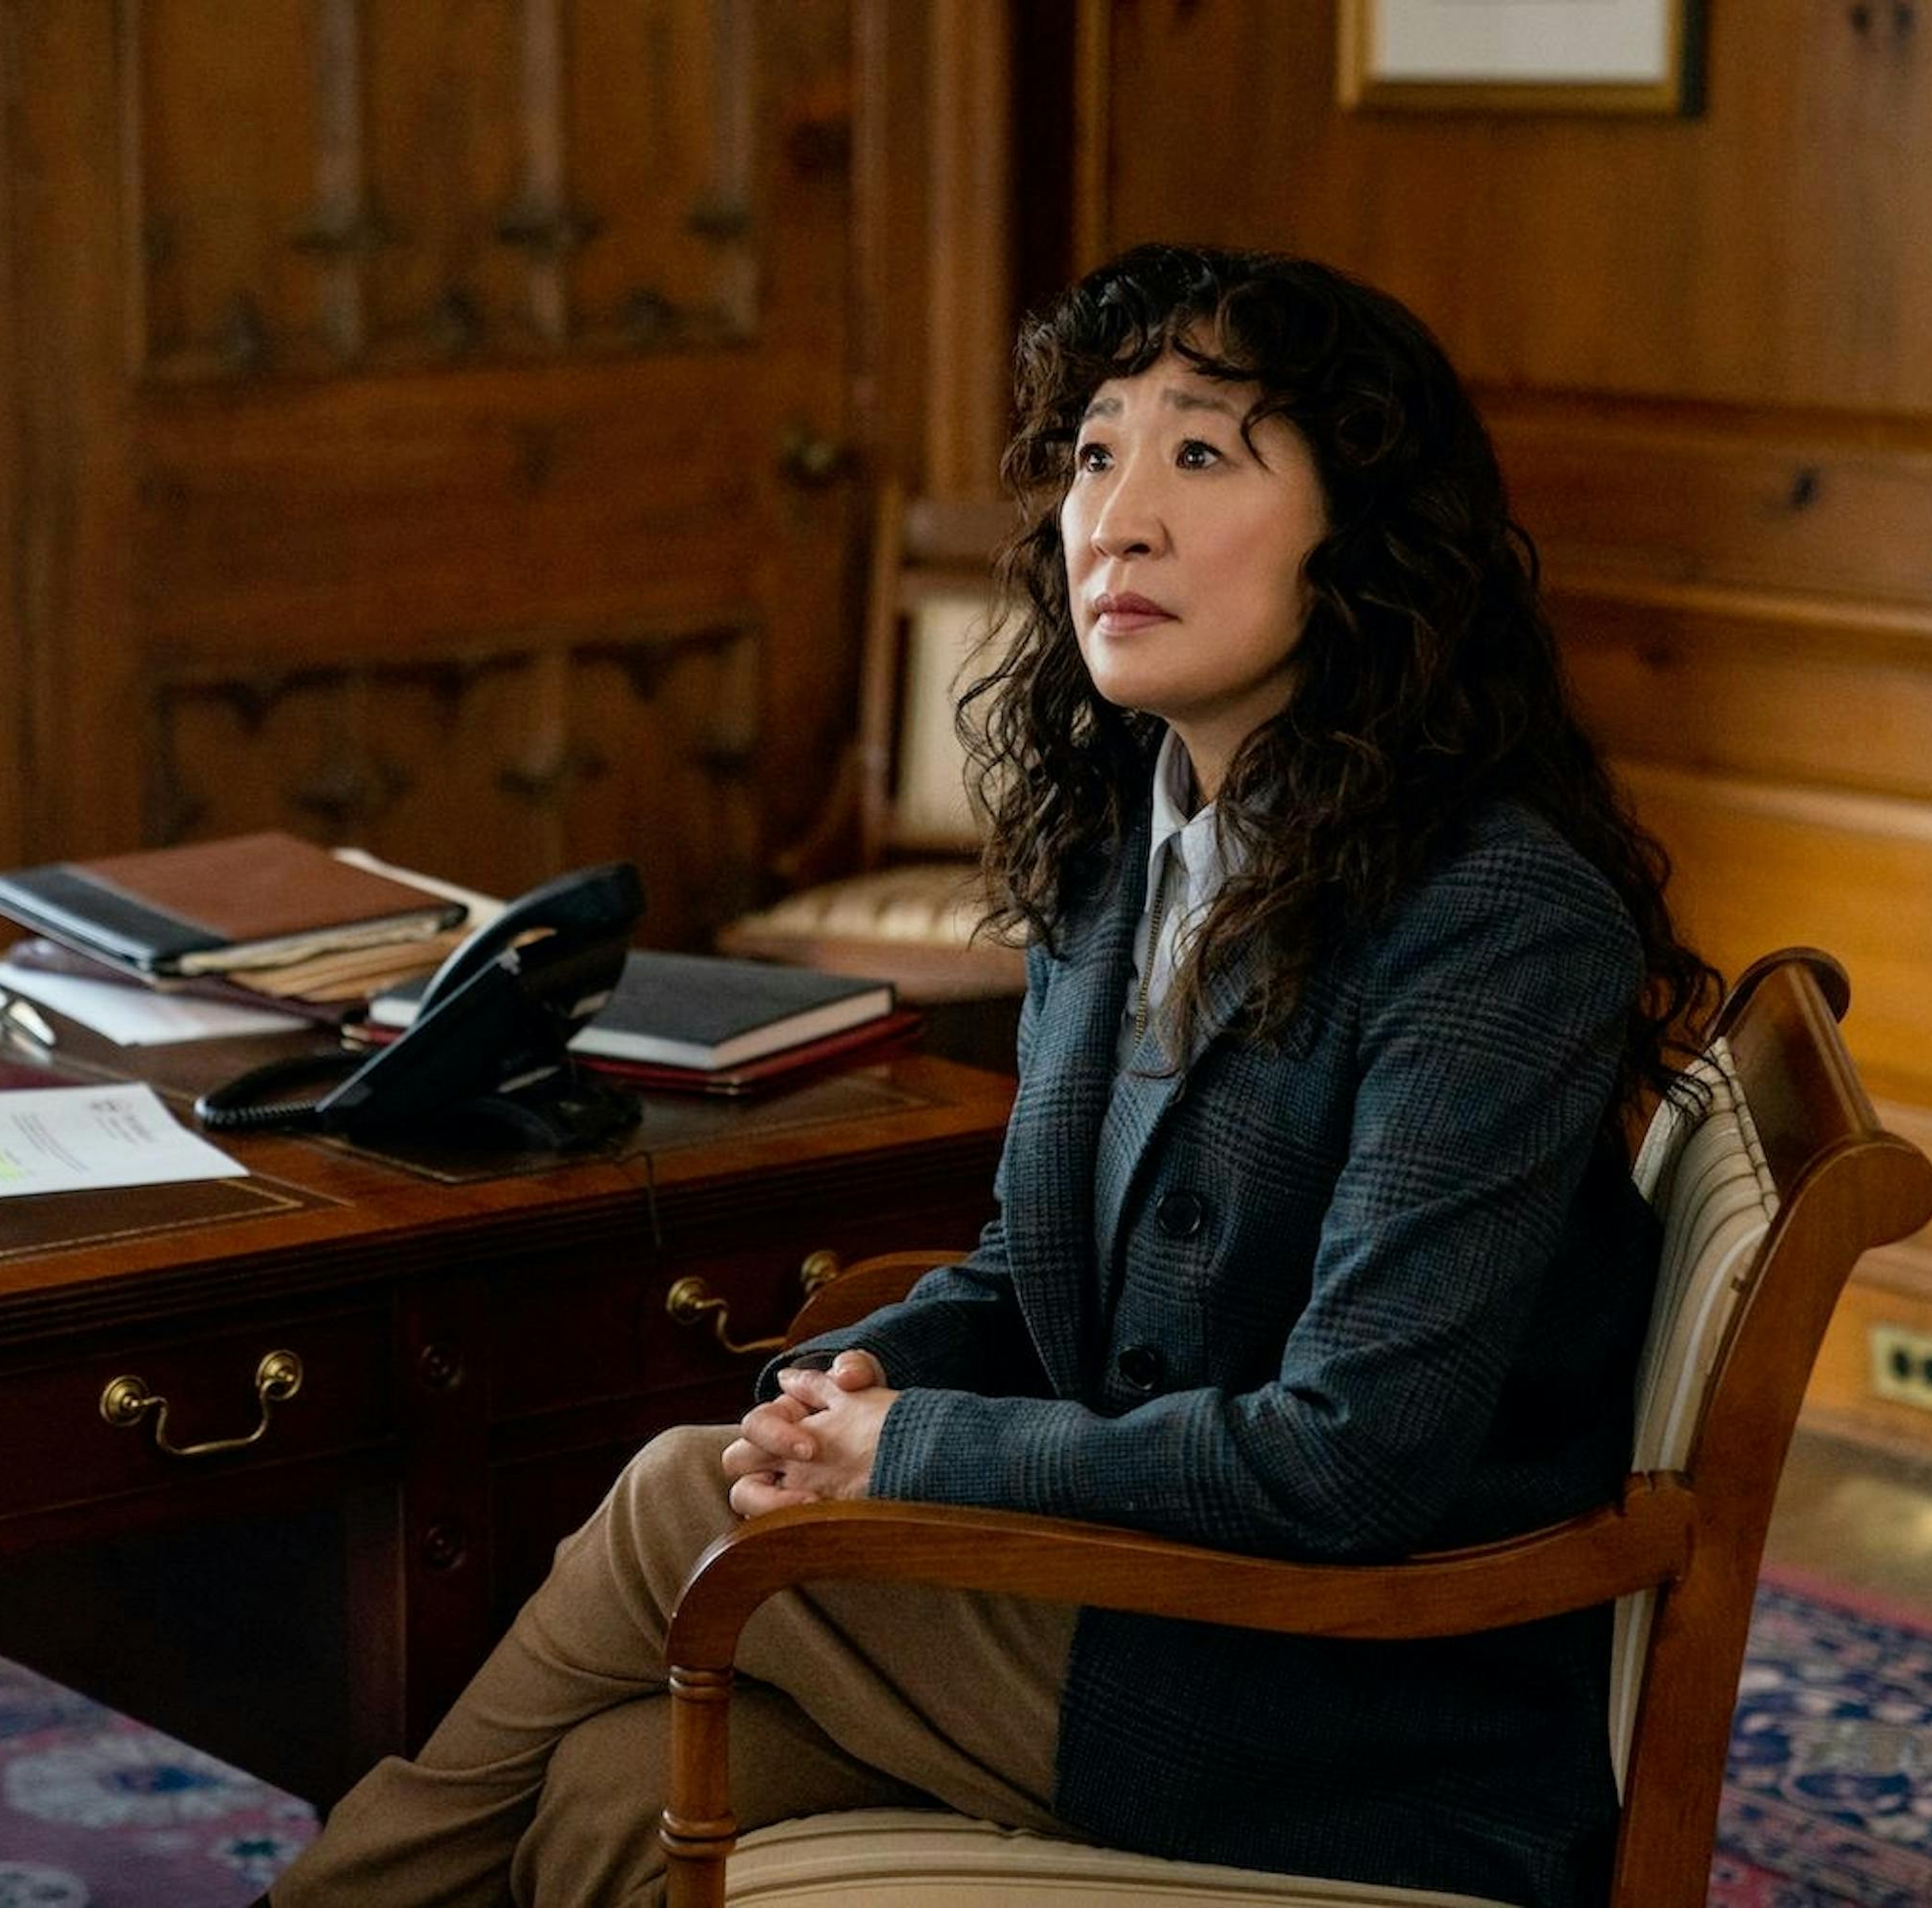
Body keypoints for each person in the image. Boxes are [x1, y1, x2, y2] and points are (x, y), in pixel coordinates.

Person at [264, 242, 1719, 1908]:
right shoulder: (1126, 849)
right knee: (606, 1789)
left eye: (1199, 452)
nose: (1119, 516)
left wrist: (913, 1460)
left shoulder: (1493, 922)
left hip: (1353, 1705)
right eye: (1097, 451)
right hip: (1147, 1600)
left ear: (1364, 534)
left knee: (678, 1503)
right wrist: (841, 1395)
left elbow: (1349, 1458)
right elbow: (1036, 1272)